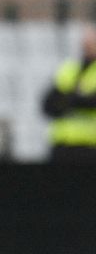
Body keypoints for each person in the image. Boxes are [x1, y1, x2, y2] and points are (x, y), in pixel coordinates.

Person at [41, 24, 96, 162]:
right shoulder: (69, 68)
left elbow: (90, 103)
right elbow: (49, 105)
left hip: (90, 147)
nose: (88, 44)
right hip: (63, 145)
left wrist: (69, 99)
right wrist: (77, 97)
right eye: (86, 41)